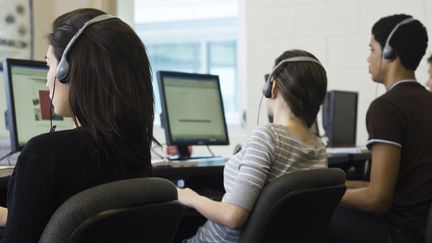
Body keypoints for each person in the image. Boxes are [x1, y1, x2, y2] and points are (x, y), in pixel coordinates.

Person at [0, 8, 156, 242]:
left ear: (67, 72)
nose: (47, 78)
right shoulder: (135, 149)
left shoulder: (43, 156)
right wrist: (13, 218)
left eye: (49, 65)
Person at [177, 49, 328, 243]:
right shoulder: (318, 148)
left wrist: (191, 197)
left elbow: (233, 217)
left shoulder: (268, 137)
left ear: (272, 87)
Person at [327, 14, 431, 243]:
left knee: (309, 214)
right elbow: (380, 186)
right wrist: (332, 183)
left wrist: (327, 195)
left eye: (372, 49)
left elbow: (377, 199)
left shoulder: (386, 108)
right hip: (418, 230)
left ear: (389, 52)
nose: (368, 58)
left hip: (395, 232)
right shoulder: (427, 100)